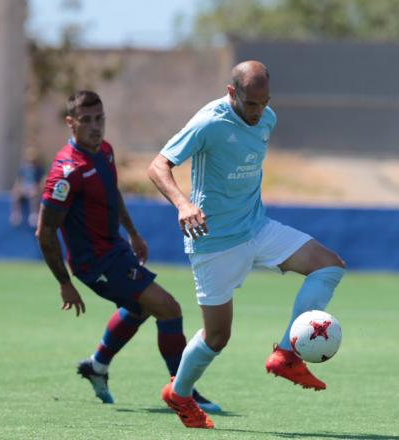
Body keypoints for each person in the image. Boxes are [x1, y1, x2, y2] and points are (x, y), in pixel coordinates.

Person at [148, 60, 346, 429]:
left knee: (329, 264)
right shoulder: (209, 122)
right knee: (218, 337)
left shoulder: (267, 118)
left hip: (257, 228)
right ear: (231, 93)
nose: (259, 112)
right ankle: (180, 394)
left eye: (264, 102)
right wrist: (184, 204)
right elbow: (158, 166)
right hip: (214, 242)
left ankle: (287, 354)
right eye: (251, 104)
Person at [36, 90, 219, 412]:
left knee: (140, 307)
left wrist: (132, 233)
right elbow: (45, 230)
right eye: (86, 120)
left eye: (99, 119)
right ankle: (182, 390)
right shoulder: (66, 172)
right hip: (94, 263)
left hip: (116, 250)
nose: (95, 127)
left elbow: (111, 194)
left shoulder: (104, 151)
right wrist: (64, 283)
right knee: (168, 308)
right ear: (71, 123)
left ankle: (97, 365)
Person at [10, 147, 45, 227]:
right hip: (24, 188)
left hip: (33, 188)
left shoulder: (39, 169)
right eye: (29, 160)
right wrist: (16, 188)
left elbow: (42, 181)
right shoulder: (23, 169)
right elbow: (19, 180)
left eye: (33, 160)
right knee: (15, 195)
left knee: (34, 196)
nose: (31, 162)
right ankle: (16, 214)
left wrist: (39, 188)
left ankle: (34, 214)